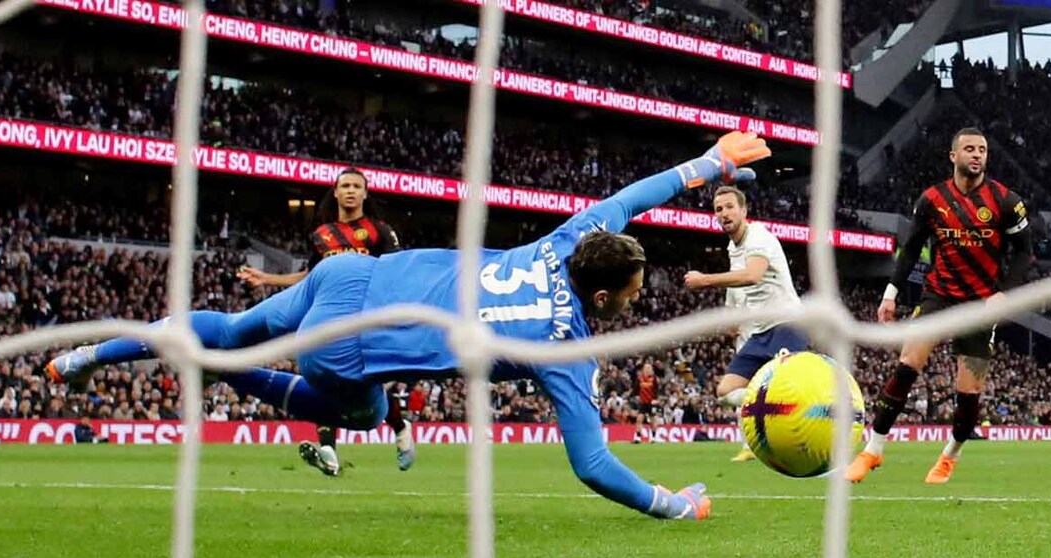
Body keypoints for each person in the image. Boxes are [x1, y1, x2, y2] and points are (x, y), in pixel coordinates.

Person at [45, 130, 772, 519]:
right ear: (606, 293)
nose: (634, 302)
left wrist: (709, 162)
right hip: (355, 349)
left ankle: (93, 353)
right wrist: (671, 504)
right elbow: (591, 465)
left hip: (349, 277)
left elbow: (629, 197)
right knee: (361, 411)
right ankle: (218, 369)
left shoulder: (567, 239)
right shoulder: (565, 352)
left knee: (233, 325)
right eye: (632, 292)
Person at [846, 127, 1032, 484]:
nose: (977, 155)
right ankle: (873, 450)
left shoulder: (1006, 201)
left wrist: (1005, 292)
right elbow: (912, 248)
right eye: (969, 149)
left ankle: (950, 456)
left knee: (969, 392)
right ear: (953, 156)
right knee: (907, 363)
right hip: (938, 296)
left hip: (980, 305)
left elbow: (1025, 252)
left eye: (982, 150)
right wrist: (891, 292)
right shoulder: (932, 200)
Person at [237, 168, 413, 477]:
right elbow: (309, 278)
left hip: (365, 317)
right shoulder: (322, 235)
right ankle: (329, 450)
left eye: (356, 186)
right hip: (329, 316)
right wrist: (267, 279)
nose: (350, 191)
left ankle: (399, 426)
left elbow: (398, 270)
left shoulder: (378, 231)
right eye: (345, 185)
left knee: (364, 381)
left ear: (364, 193)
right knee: (324, 377)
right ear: (335, 192)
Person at [683, 185, 805, 462]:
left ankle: (818, 424)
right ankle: (768, 412)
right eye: (718, 209)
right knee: (725, 391)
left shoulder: (758, 236)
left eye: (729, 207)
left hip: (787, 323)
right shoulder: (732, 247)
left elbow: (751, 276)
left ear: (744, 211)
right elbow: (739, 286)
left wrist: (705, 280)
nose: (724, 213)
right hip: (760, 331)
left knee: (792, 387)